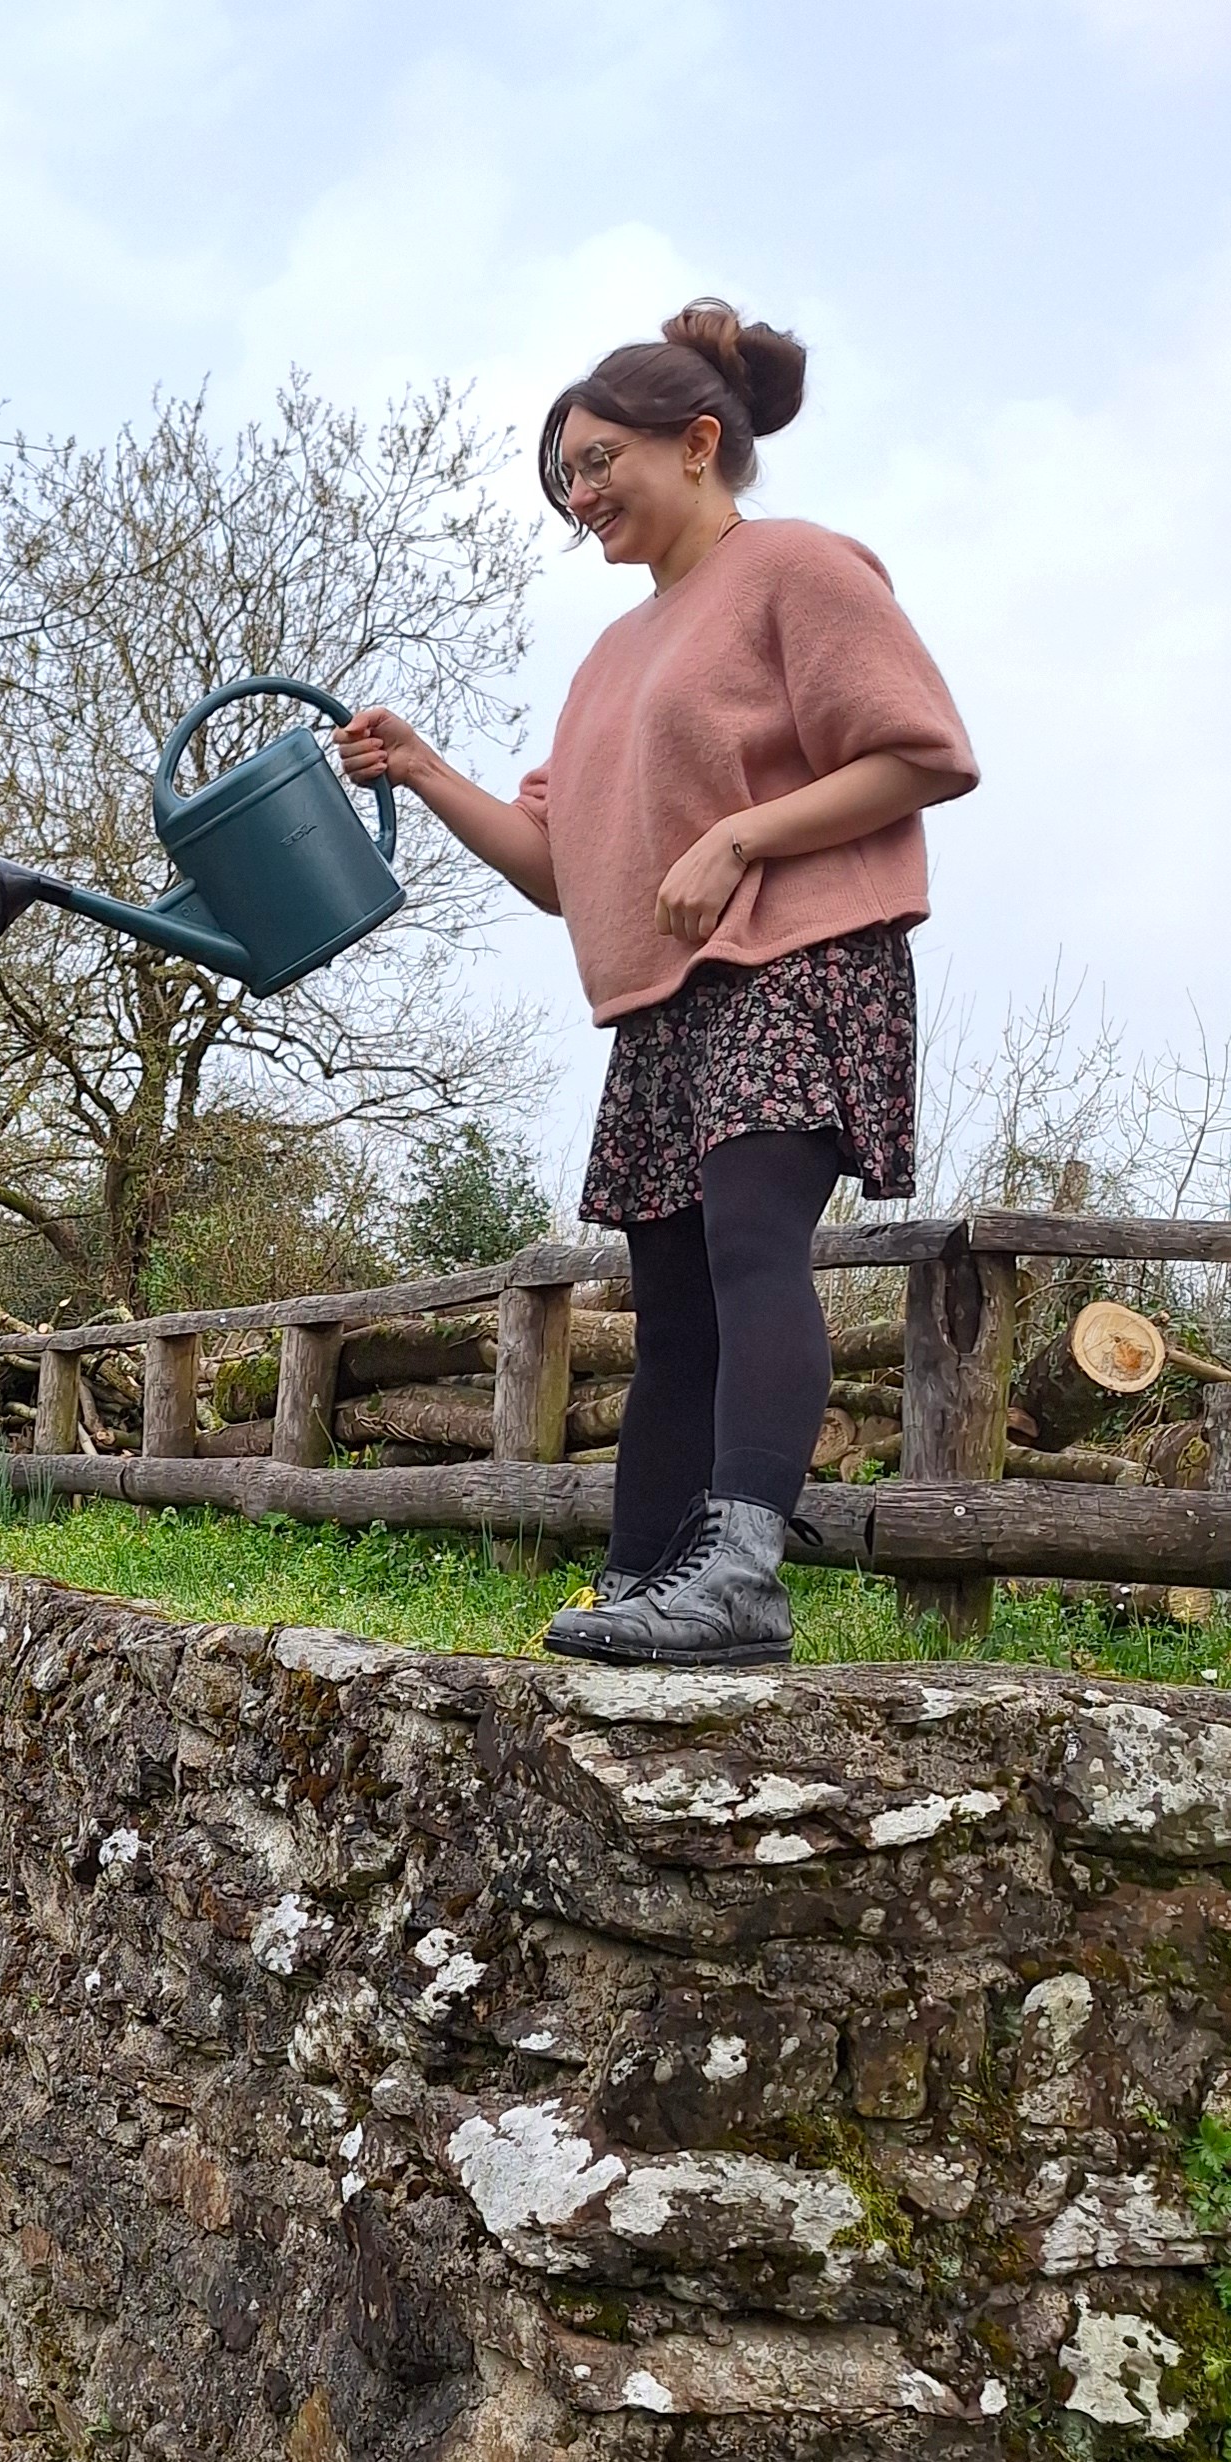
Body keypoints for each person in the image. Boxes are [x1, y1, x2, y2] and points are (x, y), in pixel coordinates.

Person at [339, 301, 977, 1665]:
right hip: (669, 1006)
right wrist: (425, 767)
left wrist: (743, 834)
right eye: (566, 474)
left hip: (801, 958)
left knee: (750, 1247)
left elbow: (924, 752)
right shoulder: (606, 662)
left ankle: (743, 1574)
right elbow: (557, 869)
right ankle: (642, 1581)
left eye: (598, 461)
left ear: (695, 444)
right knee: (674, 1301)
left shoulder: (797, 566)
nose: (579, 495)